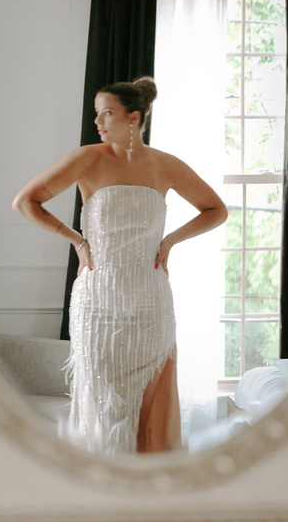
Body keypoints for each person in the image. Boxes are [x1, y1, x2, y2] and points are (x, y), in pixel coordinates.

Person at [11, 76, 227, 456]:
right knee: (102, 398)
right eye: (97, 114)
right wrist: (77, 240)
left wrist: (170, 240)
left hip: (150, 301)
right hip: (98, 300)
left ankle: (147, 493)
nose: (97, 122)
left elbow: (216, 210)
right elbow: (26, 202)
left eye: (106, 113)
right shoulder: (87, 159)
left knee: (150, 403)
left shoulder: (166, 165)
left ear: (133, 118)